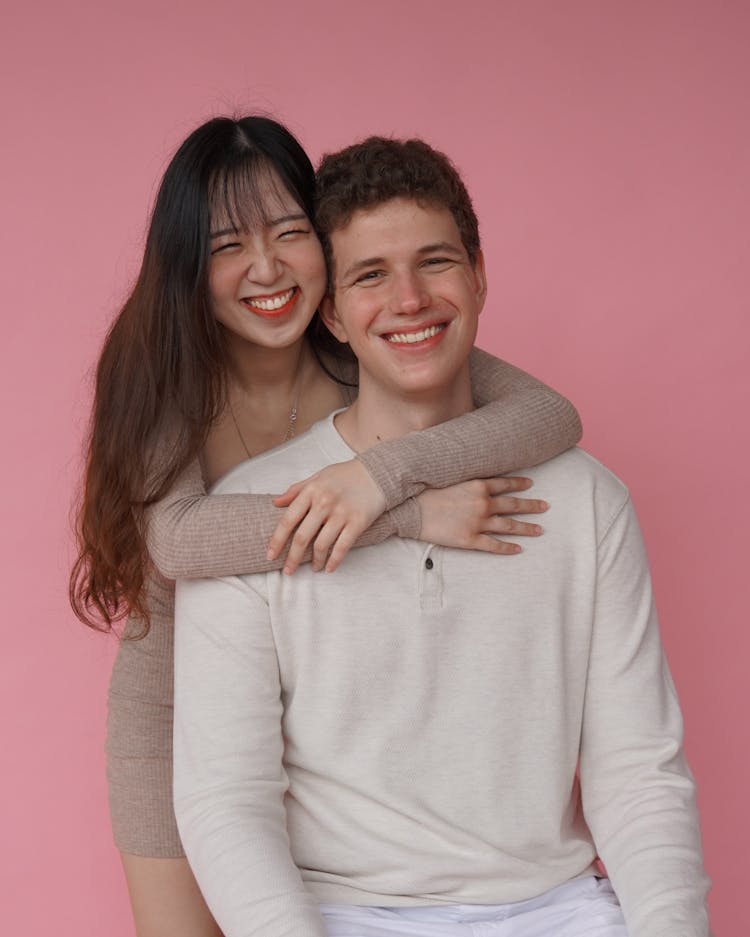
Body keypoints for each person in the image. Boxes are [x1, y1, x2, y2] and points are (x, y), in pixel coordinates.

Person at [173, 136, 711, 937]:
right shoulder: (255, 513)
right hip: (337, 913)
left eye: (436, 262)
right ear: (331, 312)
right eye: (370, 275)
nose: (410, 298)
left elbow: (637, 773)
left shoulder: (589, 500)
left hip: (554, 908)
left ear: (480, 275)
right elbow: (227, 797)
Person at [70, 116, 582, 937]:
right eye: (227, 244)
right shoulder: (163, 372)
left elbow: (550, 414)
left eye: (290, 232)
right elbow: (180, 540)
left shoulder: (361, 347)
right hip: (173, 721)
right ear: (186, 265)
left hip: (333, 721)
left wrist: (377, 473)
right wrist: (402, 513)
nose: (267, 268)